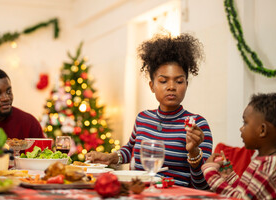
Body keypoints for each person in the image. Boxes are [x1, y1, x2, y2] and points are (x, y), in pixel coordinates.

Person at [86, 34, 213, 189]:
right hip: (136, 192)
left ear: (186, 84)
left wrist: (193, 152)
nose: (171, 86)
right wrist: (111, 157)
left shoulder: (197, 125)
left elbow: (202, 185)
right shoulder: (143, 118)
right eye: (163, 81)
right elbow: (131, 148)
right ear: (152, 86)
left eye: (179, 81)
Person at [202, 93, 276, 199]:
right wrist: (229, 176)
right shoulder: (263, 161)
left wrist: (209, 171)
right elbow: (245, 192)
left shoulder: (268, 166)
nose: (241, 128)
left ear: (262, 130)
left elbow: (240, 199)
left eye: (245, 123)